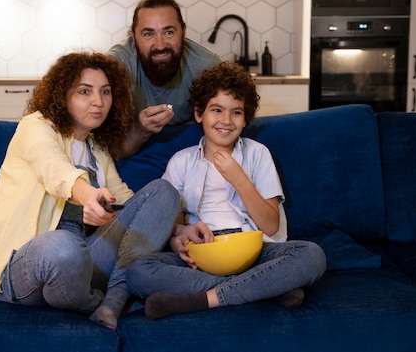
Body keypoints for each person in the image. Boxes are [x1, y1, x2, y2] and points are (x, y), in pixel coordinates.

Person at [0, 52, 180, 330]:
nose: (98, 101)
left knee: (163, 192)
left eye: (105, 92)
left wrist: (177, 233)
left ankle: (112, 301)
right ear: (62, 95)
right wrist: (88, 194)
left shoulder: (97, 149)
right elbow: (52, 168)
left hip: (83, 264)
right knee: (62, 246)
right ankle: (99, 303)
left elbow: (129, 203)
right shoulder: (36, 126)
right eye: (84, 91)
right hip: (28, 265)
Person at [126, 62, 327, 320]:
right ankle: (263, 289)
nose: (226, 121)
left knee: (312, 255)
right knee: (139, 271)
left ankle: (205, 299)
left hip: (254, 251)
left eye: (236, 113)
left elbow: (271, 226)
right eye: (217, 110)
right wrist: (179, 240)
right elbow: (173, 227)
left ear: (245, 119)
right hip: (203, 256)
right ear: (199, 113)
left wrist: (239, 179)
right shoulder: (181, 161)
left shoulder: (258, 155)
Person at [108, 0, 221, 157]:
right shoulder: (115, 67)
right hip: (133, 149)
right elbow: (108, 150)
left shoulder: (207, 66)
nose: (160, 45)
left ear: (183, 32)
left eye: (168, 32)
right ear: (132, 37)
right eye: (148, 34)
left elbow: (225, 133)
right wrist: (140, 129)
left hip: (190, 150)